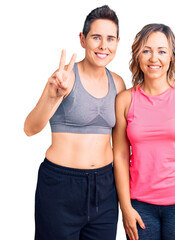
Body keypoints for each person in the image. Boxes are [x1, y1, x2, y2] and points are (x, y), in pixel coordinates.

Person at [24, 5, 125, 240]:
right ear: (82, 39)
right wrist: (53, 94)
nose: (103, 45)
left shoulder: (119, 84)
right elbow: (30, 128)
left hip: (104, 188)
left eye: (110, 39)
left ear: (117, 42)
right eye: (96, 37)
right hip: (60, 186)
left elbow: (121, 148)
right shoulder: (65, 77)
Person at [113, 23, 175, 240]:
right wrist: (126, 208)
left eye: (161, 51)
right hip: (139, 207)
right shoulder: (125, 100)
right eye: (146, 50)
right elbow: (119, 156)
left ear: (172, 57)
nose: (153, 58)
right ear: (137, 56)